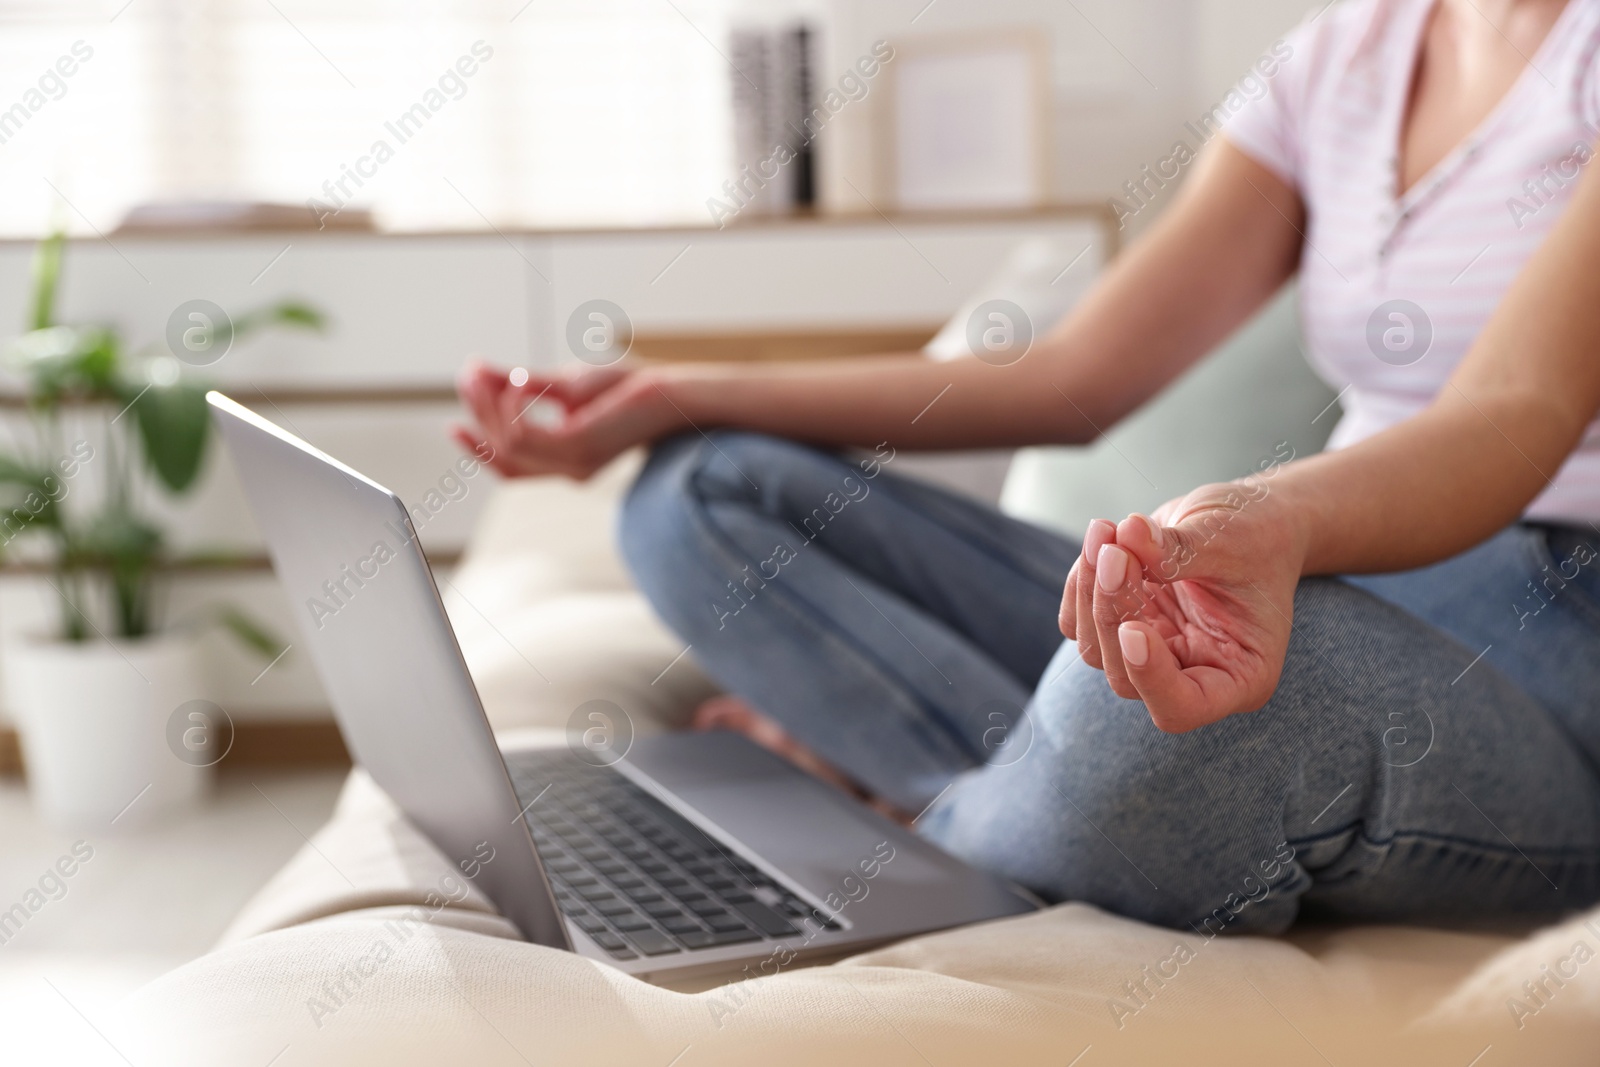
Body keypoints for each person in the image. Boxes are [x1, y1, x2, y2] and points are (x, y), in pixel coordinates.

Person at [455, 0, 1600, 934]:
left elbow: (1516, 410)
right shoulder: (1339, 59)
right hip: (1340, 574)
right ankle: (1000, 800)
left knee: (1150, 717)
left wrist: (1270, 515)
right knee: (701, 492)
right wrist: (681, 390)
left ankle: (905, 813)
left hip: (1552, 632)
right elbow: (1075, 376)